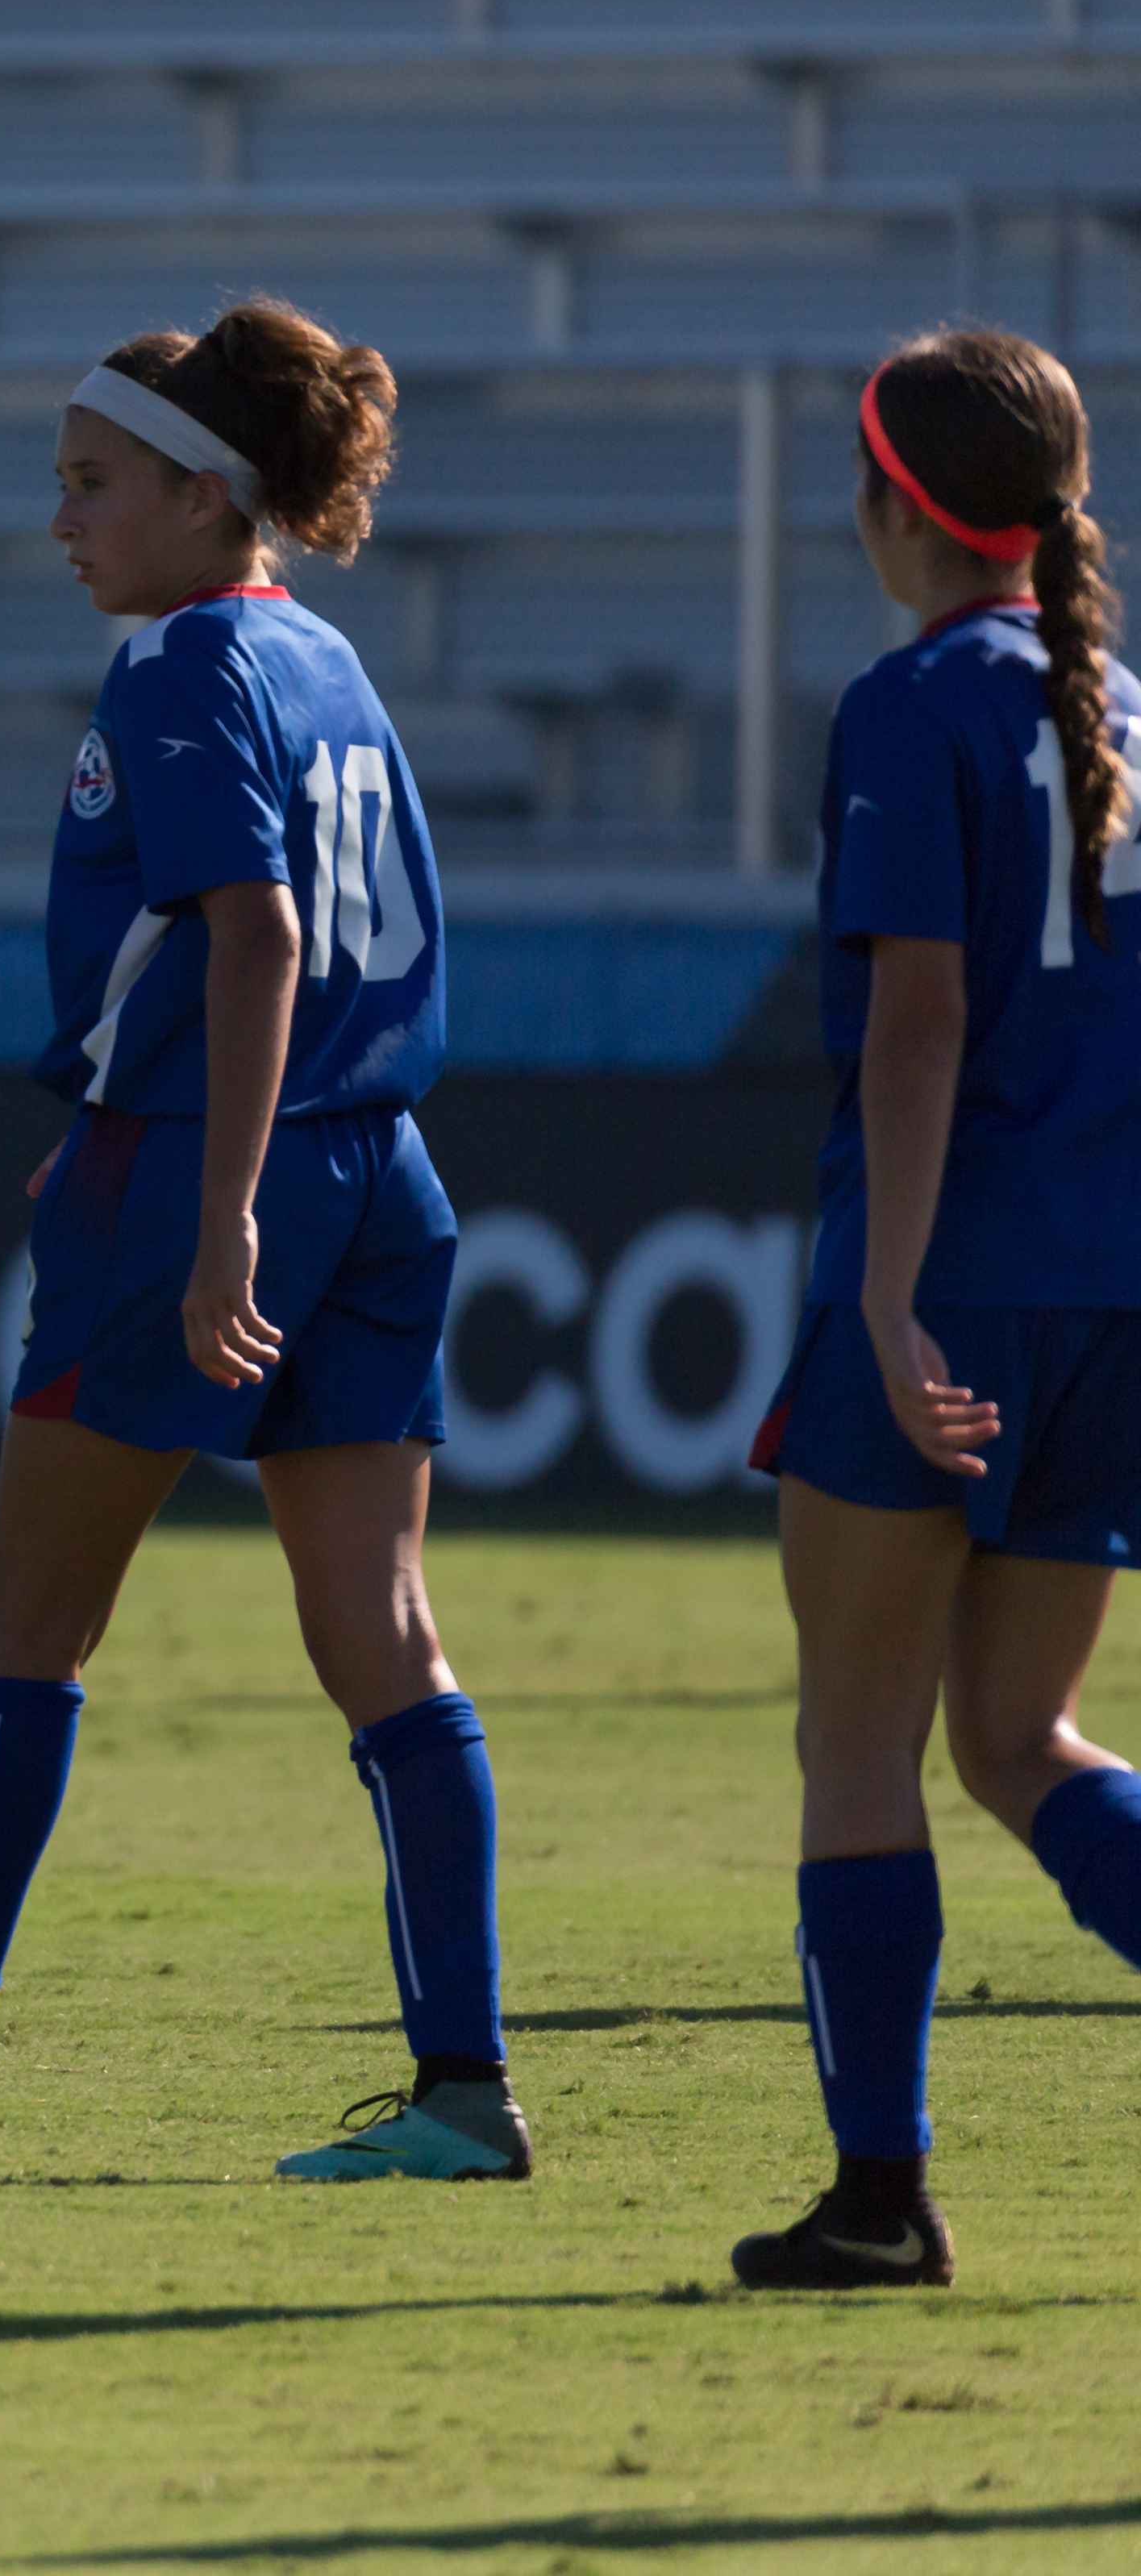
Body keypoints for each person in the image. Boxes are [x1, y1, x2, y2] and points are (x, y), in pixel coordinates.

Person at [0, 296, 534, 2185]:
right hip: (377, 1161)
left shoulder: (174, 668)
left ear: (197, 495)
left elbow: (249, 937)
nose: (60, 522)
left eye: (88, 483)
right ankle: (460, 2083)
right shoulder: (323, 658)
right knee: (387, 1640)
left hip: (211, 1171)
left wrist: (202, 1197)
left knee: (28, 1624)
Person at [727, 328, 1141, 2291]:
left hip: (946, 1274)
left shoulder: (909, 704)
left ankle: (875, 2196)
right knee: (1017, 1734)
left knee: (859, 1738)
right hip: (1104, 1289)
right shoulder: (1115, 704)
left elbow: (913, 1020)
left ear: (893, 505)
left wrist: (885, 1302)